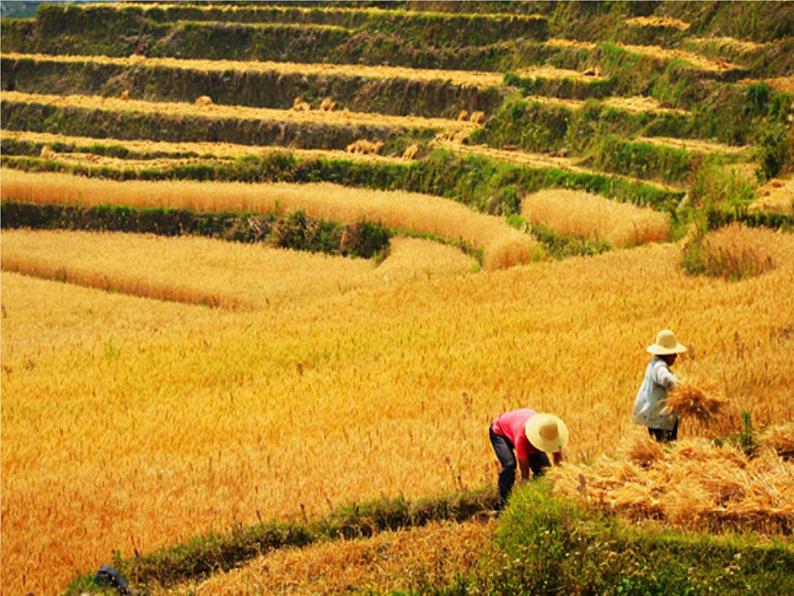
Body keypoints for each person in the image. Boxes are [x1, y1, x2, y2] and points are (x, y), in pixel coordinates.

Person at [489, 409, 568, 504]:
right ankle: (503, 502)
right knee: (509, 465)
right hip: (500, 432)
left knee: (544, 470)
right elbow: (525, 475)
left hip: (519, 425)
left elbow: (559, 464)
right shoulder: (522, 437)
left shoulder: (551, 432)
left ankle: (542, 499)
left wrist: (561, 481)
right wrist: (524, 499)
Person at [632, 329, 687, 442]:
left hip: (653, 416)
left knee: (661, 445)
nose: (676, 356)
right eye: (673, 353)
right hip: (659, 419)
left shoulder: (652, 364)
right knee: (665, 445)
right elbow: (666, 378)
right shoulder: (659, 367)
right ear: (665, 354)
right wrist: (683, 389)